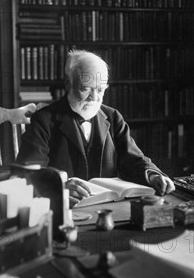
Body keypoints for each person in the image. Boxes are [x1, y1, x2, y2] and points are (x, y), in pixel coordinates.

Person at [17, 50, 175, 206]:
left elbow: (134, 160)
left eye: (100, 90)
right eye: (86, 89)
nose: (94, 98)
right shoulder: (44, 119)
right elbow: (28, 170)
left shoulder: (113, 117)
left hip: (108, 208)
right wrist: (58, 186)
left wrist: (153, 175)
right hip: (64, 208)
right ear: (68, 83)